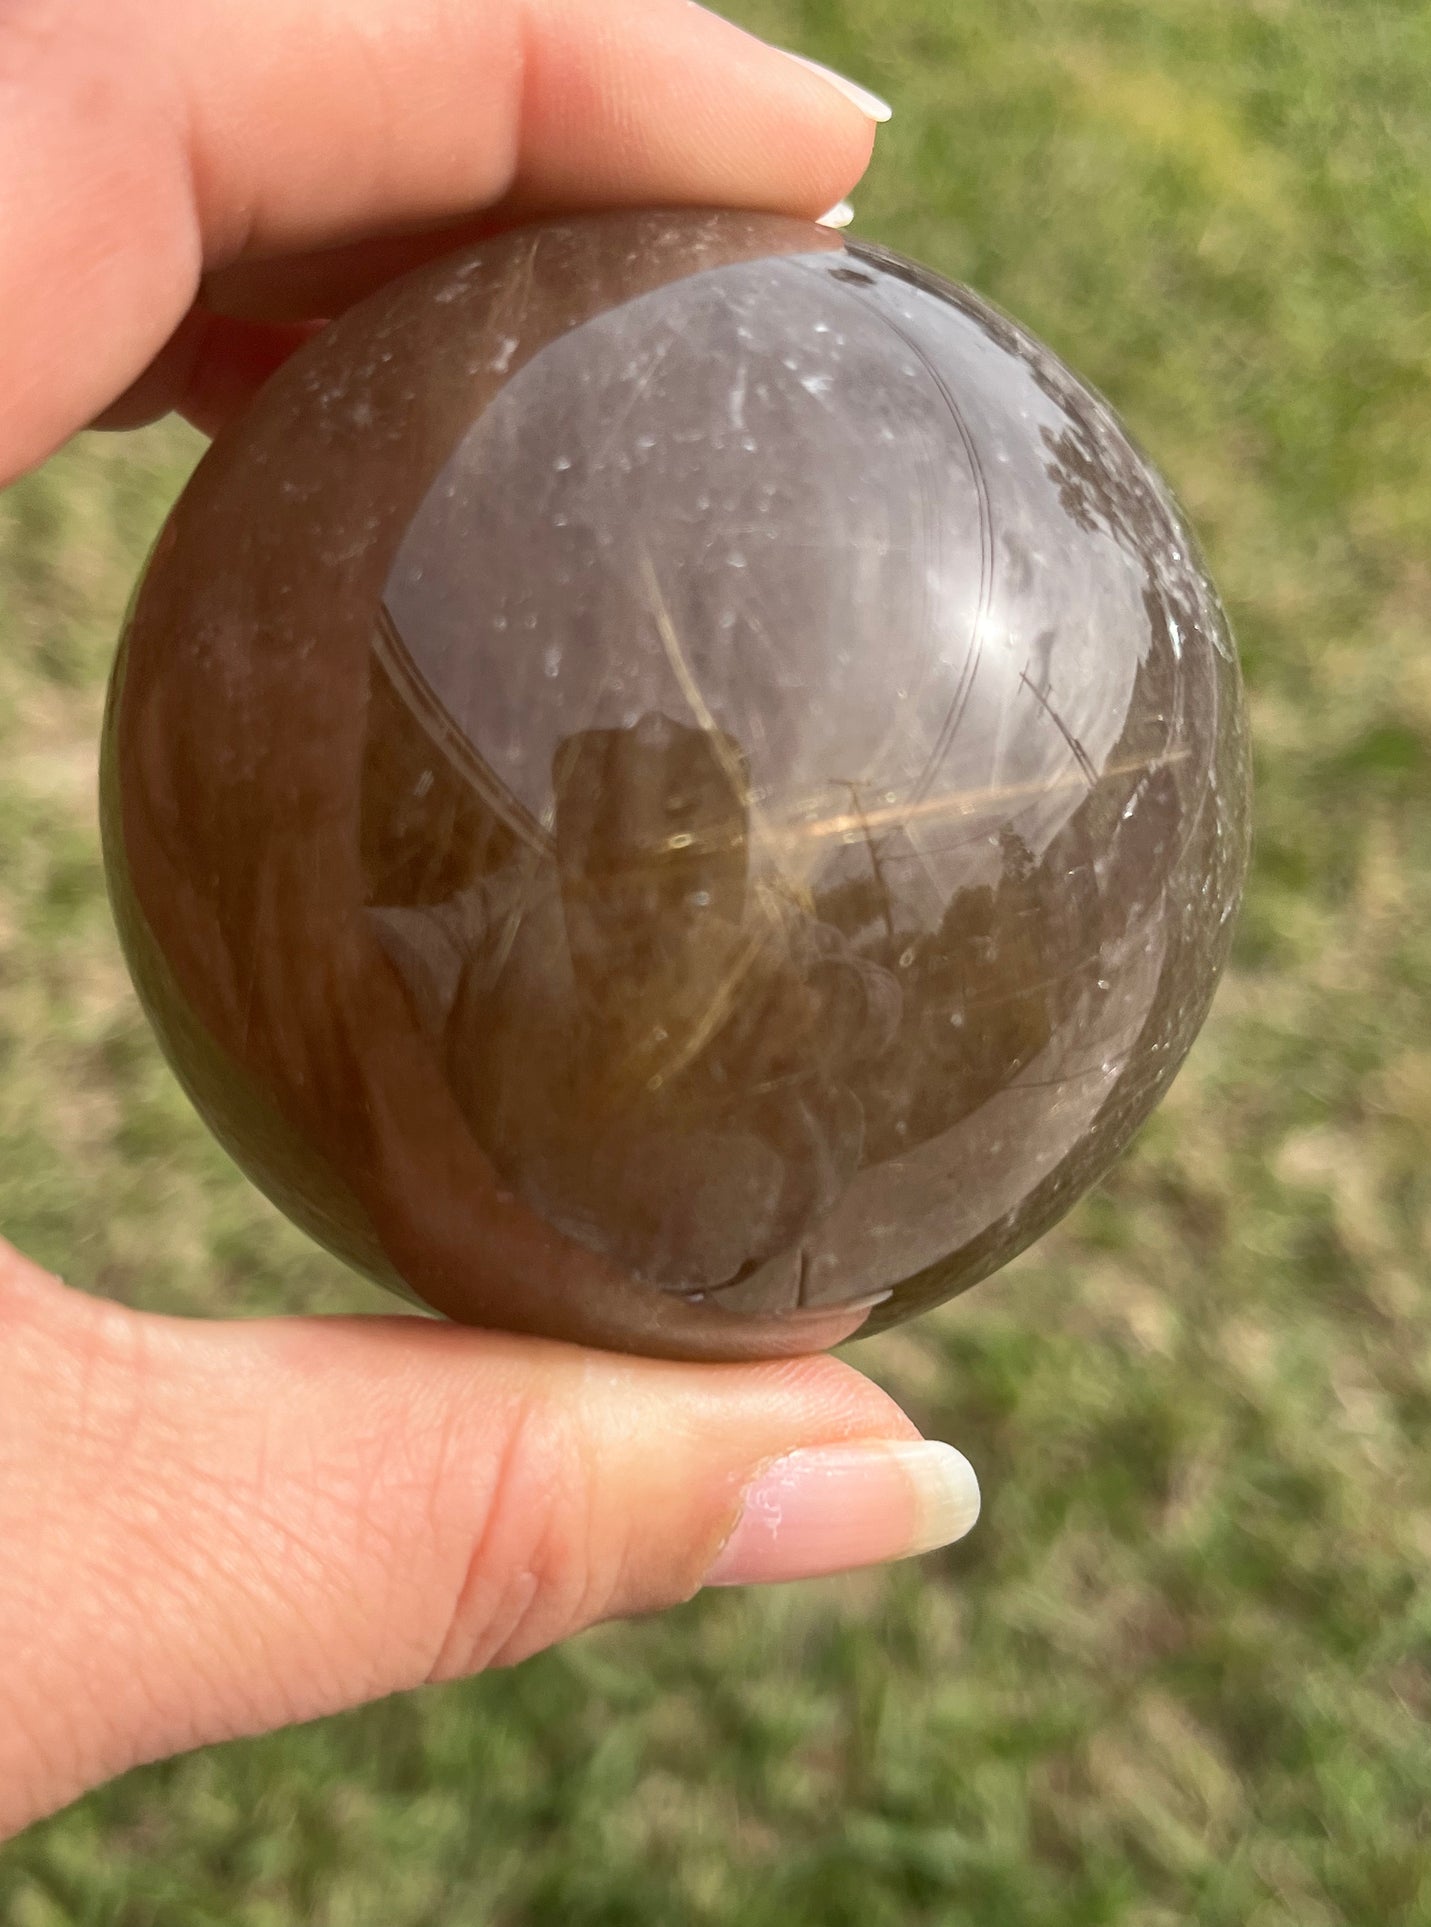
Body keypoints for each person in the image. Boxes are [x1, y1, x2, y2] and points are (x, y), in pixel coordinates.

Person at [0, 0, 978, 1840]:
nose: (676, 846)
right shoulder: (443, 982)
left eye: (685, 817)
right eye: (635, 800)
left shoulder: (776, 1074)